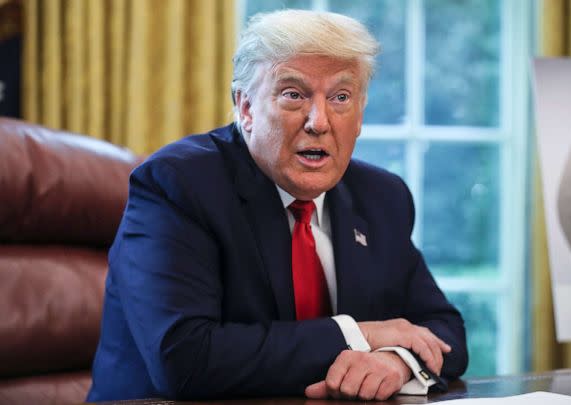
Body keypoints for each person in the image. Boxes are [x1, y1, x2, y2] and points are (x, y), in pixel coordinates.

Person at [87, 9, 467, 402]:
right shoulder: (180, 184)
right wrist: (362, 335)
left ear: (360, 113)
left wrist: (396, 358)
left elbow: (444, 330)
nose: (319, 121)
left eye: (340, 97)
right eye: (293, 95)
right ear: (246, 108)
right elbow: (184, 359)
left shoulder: (380, 197)